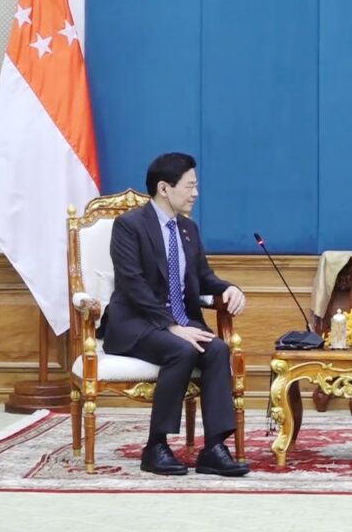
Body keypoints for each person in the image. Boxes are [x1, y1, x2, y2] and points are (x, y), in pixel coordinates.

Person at [100, 152, 249, 477]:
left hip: (180, 324)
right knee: (181, 350)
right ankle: (156, 446)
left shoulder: (188, 229)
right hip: (136, 324)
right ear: (164, 188)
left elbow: (203, 276)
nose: (196, 193)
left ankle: (214, 448)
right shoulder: (129, 226)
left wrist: (229, 288)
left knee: (217, 349)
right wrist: (171, 326)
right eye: (189, 186)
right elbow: (133, 284)